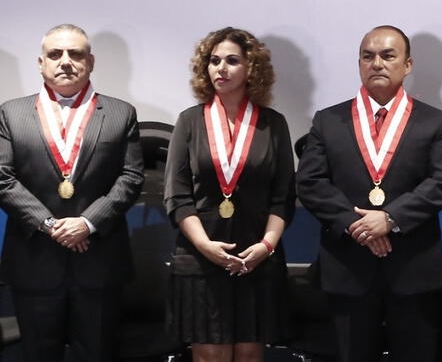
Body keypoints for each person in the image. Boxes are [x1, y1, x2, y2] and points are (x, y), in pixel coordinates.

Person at [296, 25, 442, 362]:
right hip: (348, 267)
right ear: (359, 63)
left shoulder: (435, 122)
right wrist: (359, 226)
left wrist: (390, 218)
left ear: (407, 65)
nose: (377, 63)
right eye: (368, 56)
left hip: (413, 268)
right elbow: (310, 182)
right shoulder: (328, 120)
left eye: (388, 55)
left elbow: (441, 182)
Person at [0, 24, 145, 362]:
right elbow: (2, 177)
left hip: (99, 260)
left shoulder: (121, 113)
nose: (65, 61)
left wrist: (87, 223)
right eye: (55, 54)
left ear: (90, 61)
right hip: (34, 260)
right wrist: (51, 225)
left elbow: (131, 177)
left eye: (75, 54)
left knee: (97, 354)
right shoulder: (10, 112)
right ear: (40, 63)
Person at [163, 27, 295, 362]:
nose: (220, 68)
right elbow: (177, 197)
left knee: (250, 354)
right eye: (214, 60)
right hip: (200, 257)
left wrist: (266, 246)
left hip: (257, 257)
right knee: (210, 355)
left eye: (232, 60)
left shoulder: (273, 123)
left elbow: (283, 197)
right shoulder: (189, 121)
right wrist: (205, 247)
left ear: (251, 67)